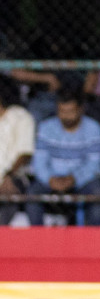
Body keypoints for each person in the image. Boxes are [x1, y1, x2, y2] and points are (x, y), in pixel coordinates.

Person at [27, 88, 100, 227]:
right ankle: (37, 240)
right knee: (32, 193)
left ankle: (93, 241)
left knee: (97, 192)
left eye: (70, 111)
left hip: (82, 180)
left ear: (81, 109)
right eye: (62, 111)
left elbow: (93, 165)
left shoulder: (94, 129)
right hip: (51, 179)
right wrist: (50, 179)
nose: (66, 116)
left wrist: (73, 179)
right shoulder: (46, 128)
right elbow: (39, 163)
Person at [0, 76, 36, 225]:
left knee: (11, 190)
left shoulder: (21, 116)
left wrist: (8, 176)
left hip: (13, 176)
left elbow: (25, 153)